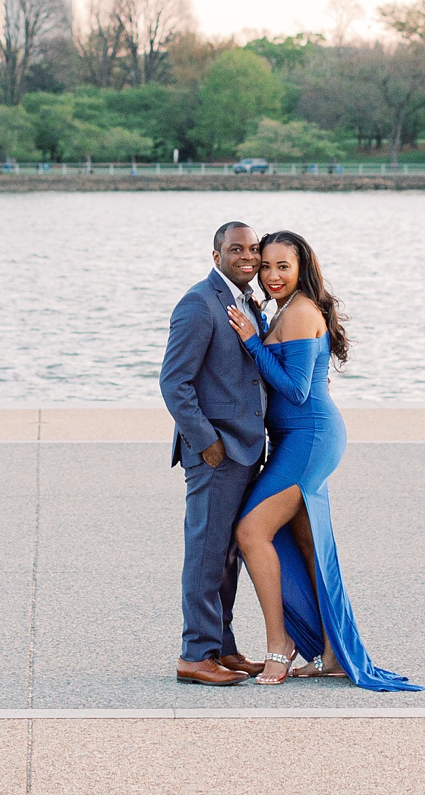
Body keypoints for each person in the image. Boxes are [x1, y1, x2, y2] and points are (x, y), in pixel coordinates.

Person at [227, 229, 422, 691]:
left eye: (283, 267)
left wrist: (254, 344)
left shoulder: (299, 312)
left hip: (309, 439)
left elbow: (295, 390)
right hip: (300, 437)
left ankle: (281, 644)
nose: (272, 275)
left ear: (301, 269)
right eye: (267, 265)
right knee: (309, 545)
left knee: (251, 531)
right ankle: (332, 653)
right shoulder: (286, 310)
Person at [158, 220, 276, 685]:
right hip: (217, 453)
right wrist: (207, 444)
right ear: (216, 256)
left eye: (253, 250)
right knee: (206, 553)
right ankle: (195, 654)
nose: (247, 257)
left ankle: (222, 648)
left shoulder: (247, 302)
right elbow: (174, 382)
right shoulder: (198, 302)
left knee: (228, 556)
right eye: (236, 249)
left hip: (247, 450)